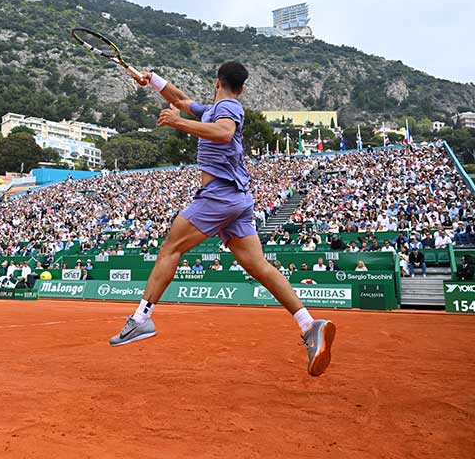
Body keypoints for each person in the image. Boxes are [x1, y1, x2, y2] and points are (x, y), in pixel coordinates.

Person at [108, 62, 335, 377]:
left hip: (219, 197)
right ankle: (309, 325)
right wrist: (152, 80)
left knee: (170, 249)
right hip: (237, 200)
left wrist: (178, 124)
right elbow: (182, 100)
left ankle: (141, 318)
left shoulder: (227, 108)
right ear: (240, 86)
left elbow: (224, 134)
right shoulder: (214, 109)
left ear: (218, 82)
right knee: (259, 267)